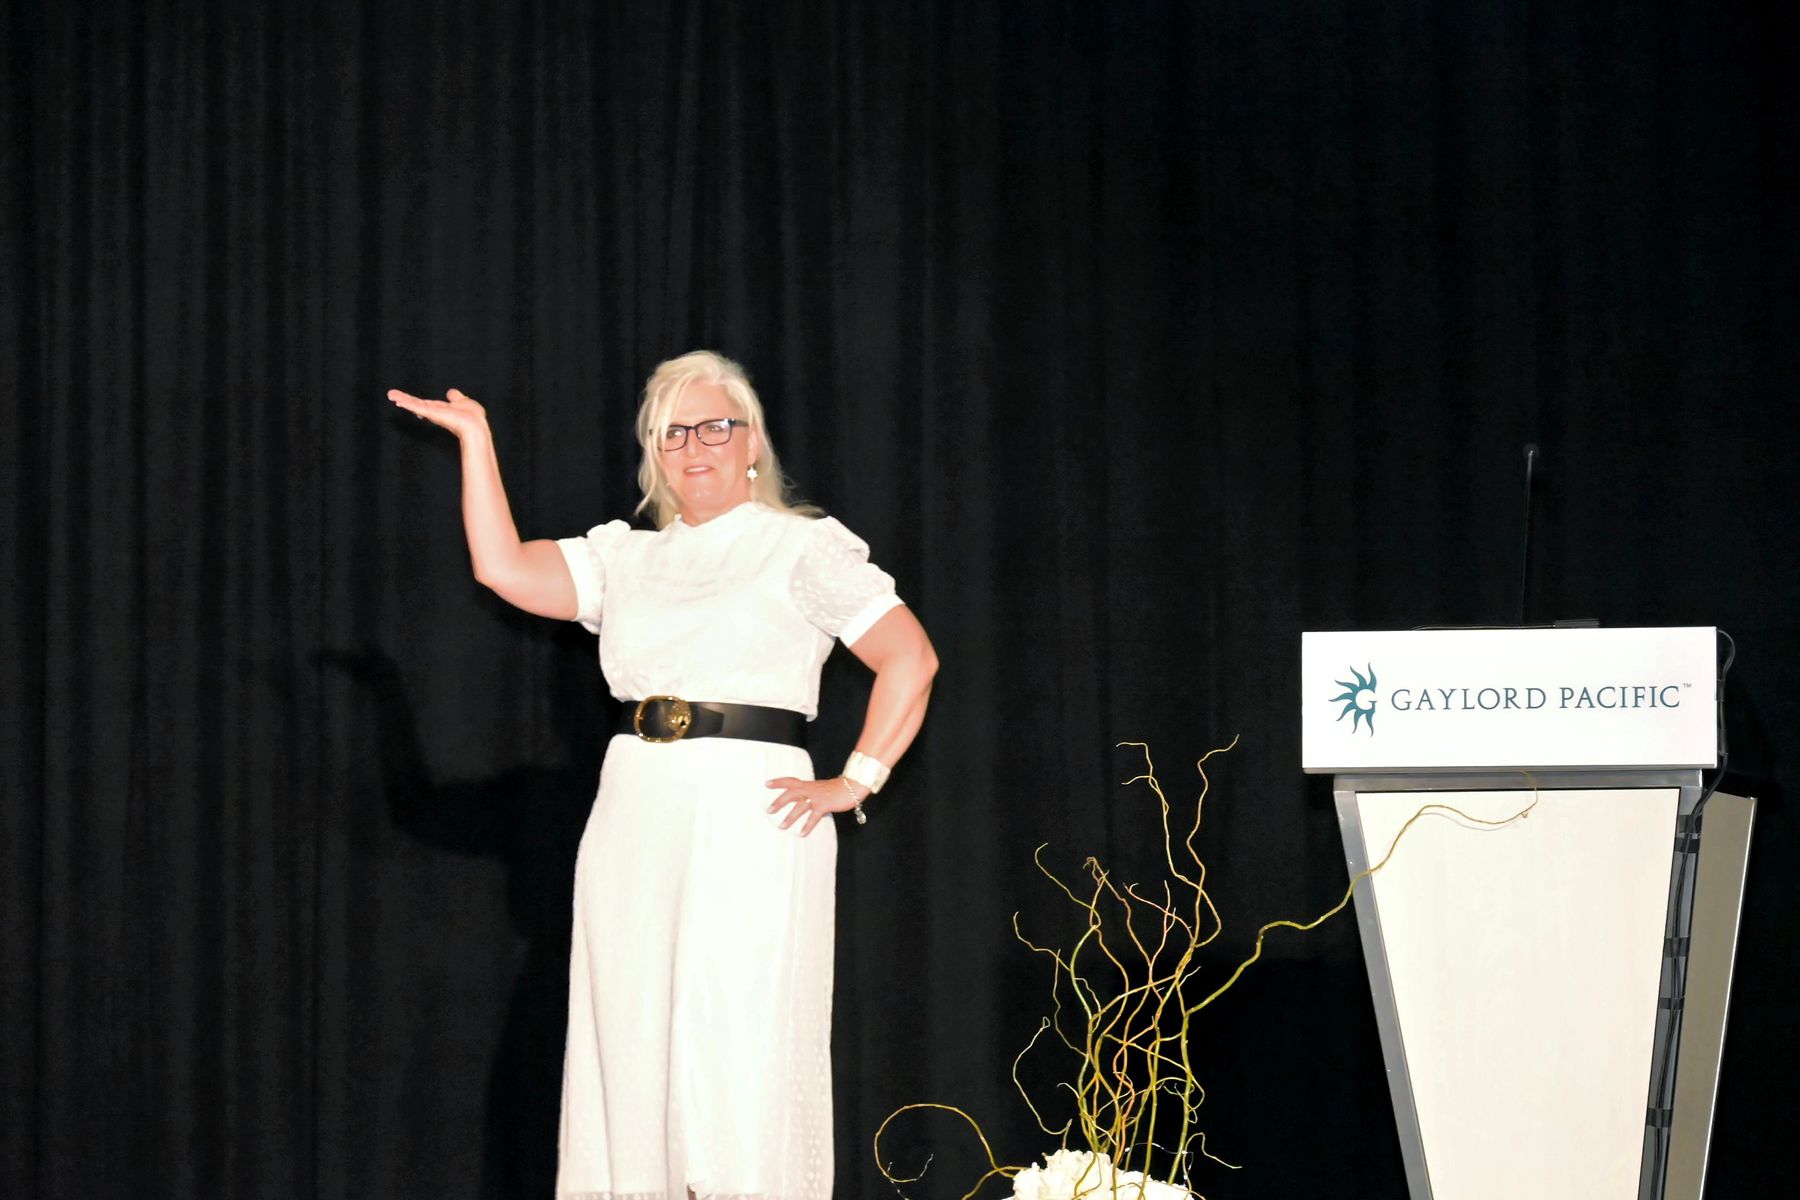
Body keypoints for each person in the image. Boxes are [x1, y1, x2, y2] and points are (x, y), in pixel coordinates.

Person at [389, 350, 938, 1200]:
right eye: (672, 433)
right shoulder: (628, 557)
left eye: (714, 427)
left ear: (750, 442)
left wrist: (856, 780)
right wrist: (476, 441)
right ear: (654, 453)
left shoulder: (800, 546)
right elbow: (502, 568)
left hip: (752, 810)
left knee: (735, 1035)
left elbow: (910, 657)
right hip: (636, 807)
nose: (694, 447)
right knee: (632, 1027)